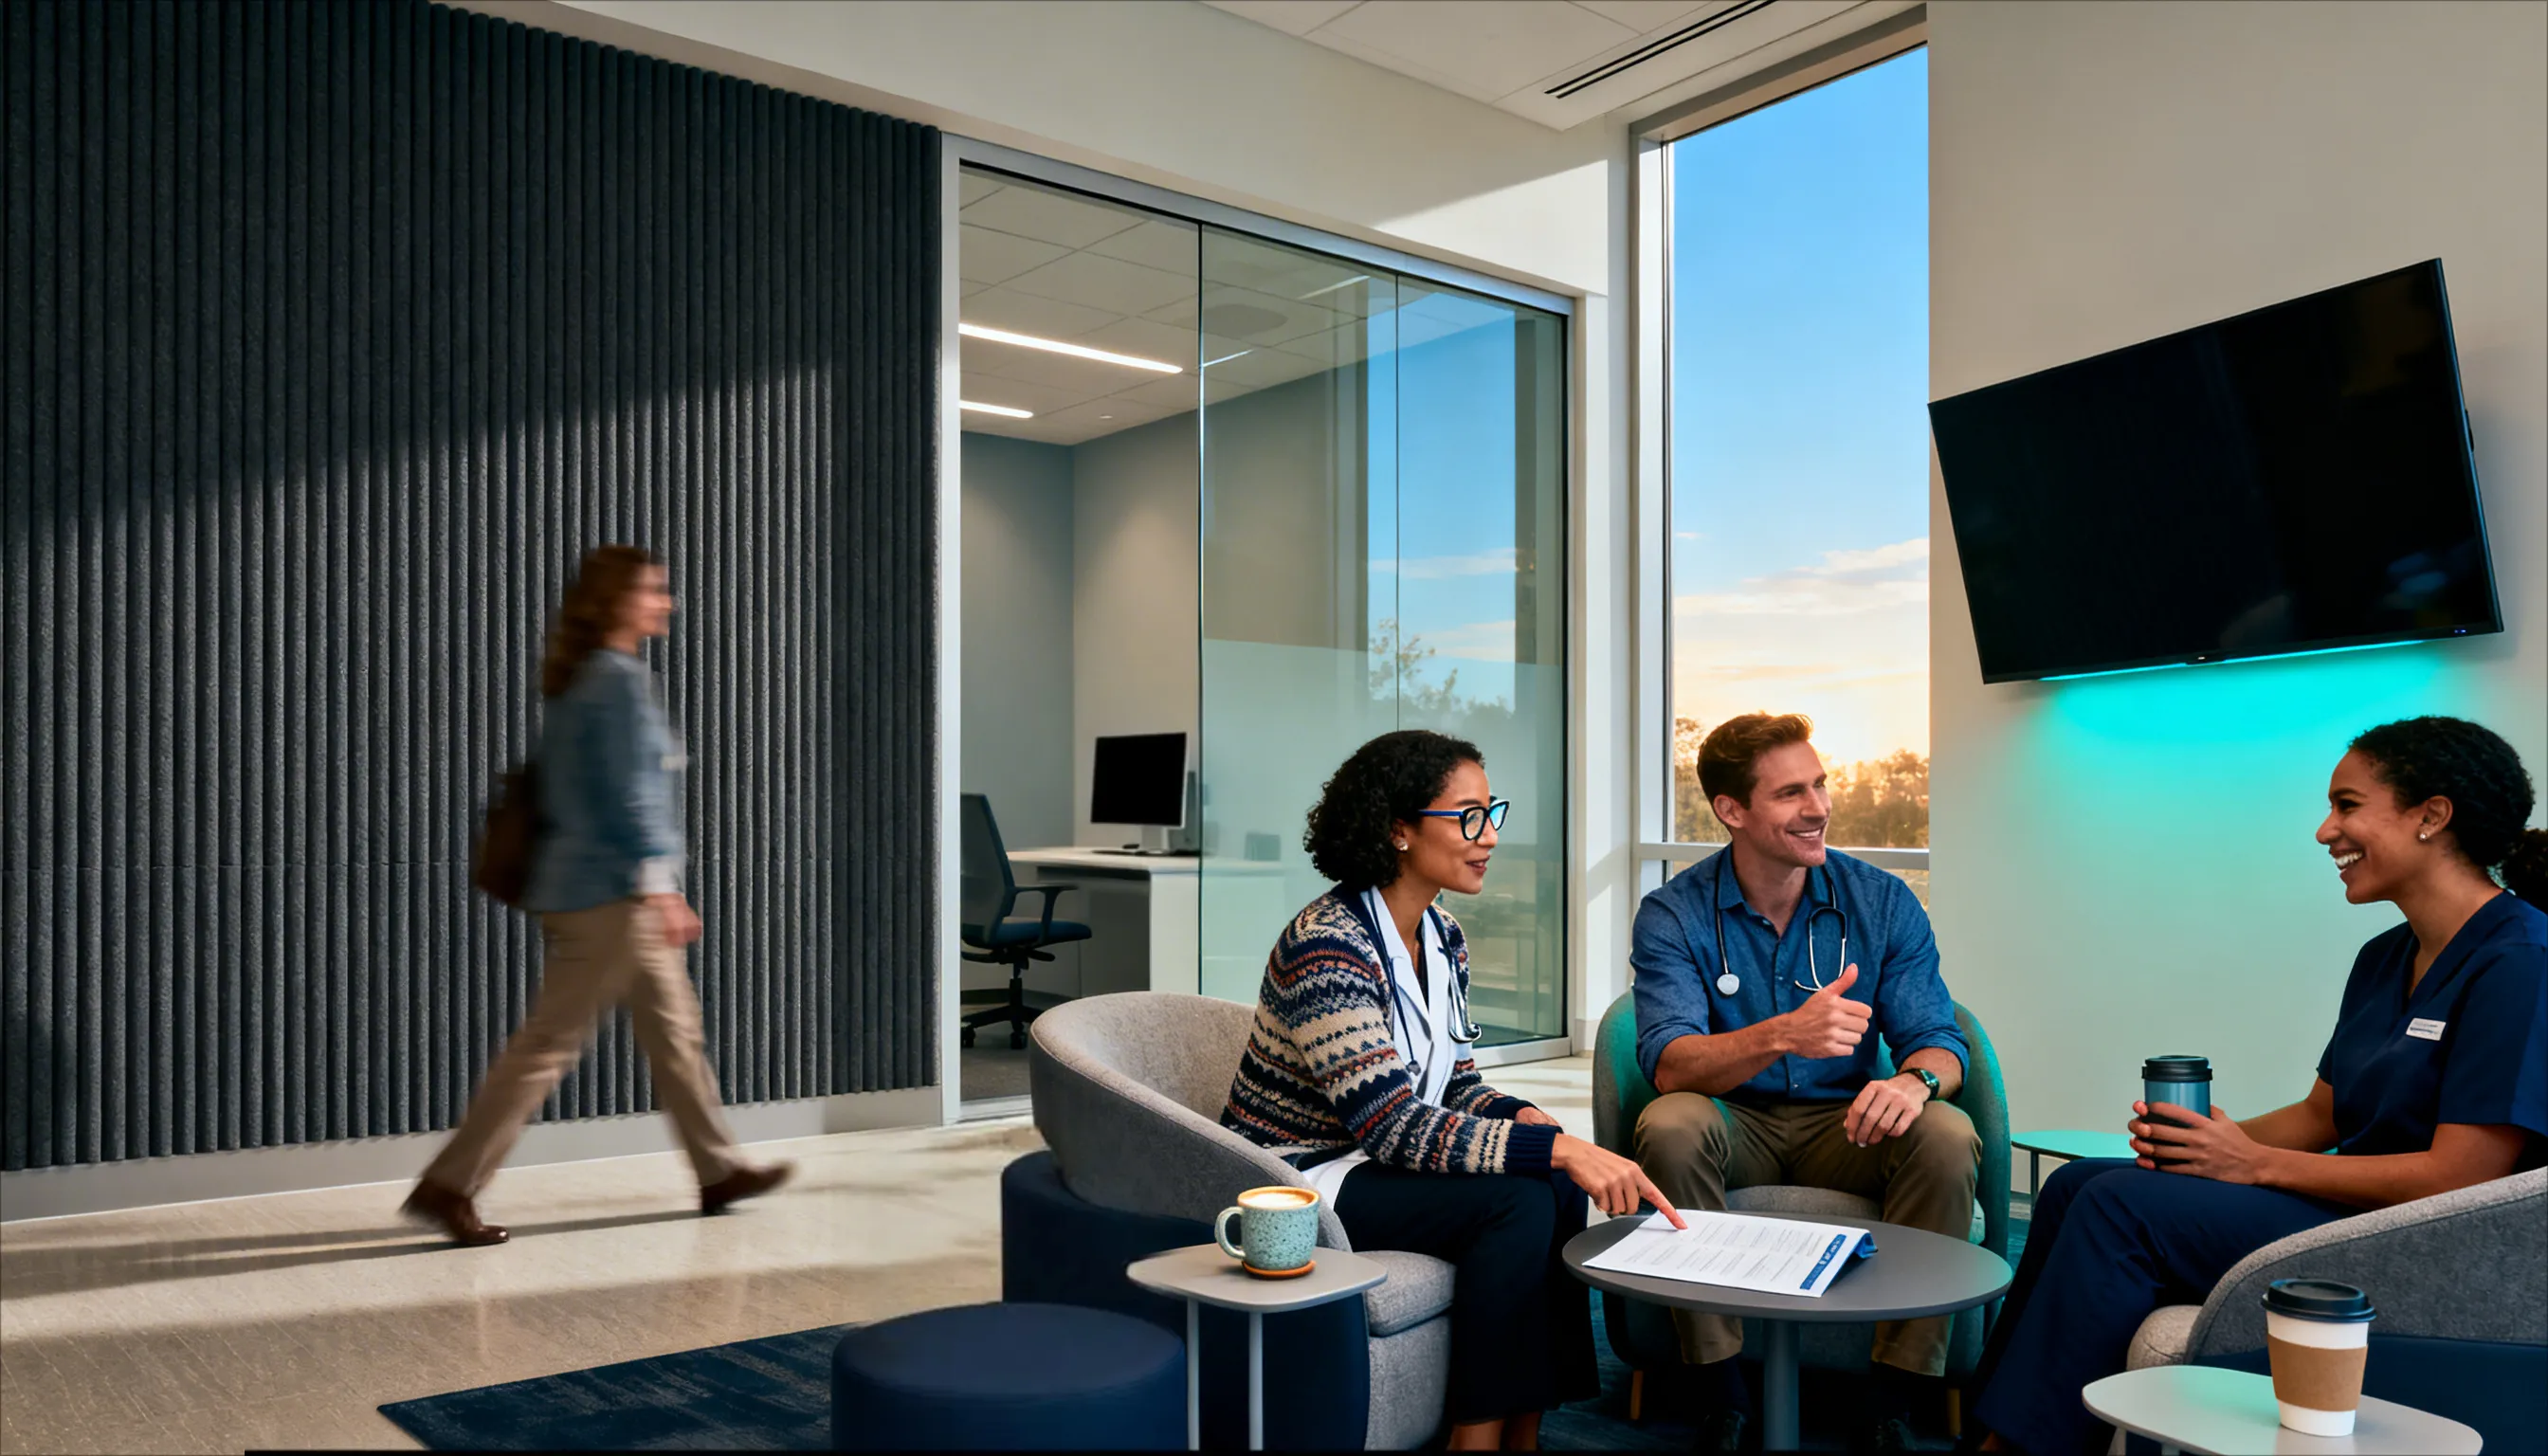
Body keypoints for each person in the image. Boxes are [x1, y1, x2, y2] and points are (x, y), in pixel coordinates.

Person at [1968, 716, 2548, 1454]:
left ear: (2431, 815)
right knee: (2077, 1184)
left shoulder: (2520, 961)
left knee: (2120, 1210)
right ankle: (1985, 1433)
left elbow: (2461, 1176)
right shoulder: (2386, 956)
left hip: (2431, 1249)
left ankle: (2022, 1448)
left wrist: (2253, 1164)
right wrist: (2209, 1144)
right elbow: (2322, 1114)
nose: (2324, 831)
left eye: (2346, 806)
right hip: (2351, 1211)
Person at [1223, 730, 1685, 1452]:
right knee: (1520, 1195)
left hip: (1372, 1161)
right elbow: (1392, 1126)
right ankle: (1474, 1439)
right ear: (1398, 830)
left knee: (1553, 1180)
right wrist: (1555, 1149)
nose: (1490, 836)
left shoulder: (1443, 937)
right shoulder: (1327, 944)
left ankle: (1525, 1430)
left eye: (1490, 813)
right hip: (1304, 1176)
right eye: (1468, 817)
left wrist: (1525, 1119)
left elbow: (1455, 1083)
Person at [402, 545, 792, 1247]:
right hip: (610, 897)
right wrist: (659, 885)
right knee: (548, 1046)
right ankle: (449, 1186)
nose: (666, 602)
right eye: (653, 590)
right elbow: (629, 794)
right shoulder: (614, 679)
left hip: (597, 890)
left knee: (675, 1035)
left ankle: (718, 1169)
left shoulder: (585, 676)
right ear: (616, 600)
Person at [1630, 713, 1978, 1454]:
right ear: (1731, 810)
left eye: (1819, 785)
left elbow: (1942, 1041)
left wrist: (1915, 1082)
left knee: (1946, 1134)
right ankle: (1720, 1395)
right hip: (1734, 1122)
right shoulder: (1674, 913)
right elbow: (1669, 1065)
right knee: (1672, 1123)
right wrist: (1783, 1032)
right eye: (1791, 793)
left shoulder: (1881, 902)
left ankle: (1892, 1399)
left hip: (1846, 1126)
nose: (1818, 807)